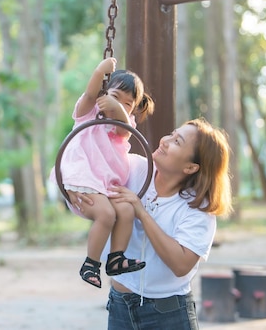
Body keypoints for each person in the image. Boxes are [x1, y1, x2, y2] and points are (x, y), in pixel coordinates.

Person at [68, 117, 233, 329]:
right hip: (119, 306)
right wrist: (74, 186)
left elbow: (181, 265)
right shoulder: (132, 168)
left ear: (191, 167)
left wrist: (141, 212)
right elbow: (90, 167)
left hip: (168, 315)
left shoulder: (198, 207)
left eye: (177, 142)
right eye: (172, 134)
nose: (165, 140)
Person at [54, 57, 154, 289]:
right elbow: (90, 95)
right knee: (107, 215)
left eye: (128, 104)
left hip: (107, 186)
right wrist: (100, 71)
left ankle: (116, 259)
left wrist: (118, 108)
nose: (120, 105)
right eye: (115, 96)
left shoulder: (124, 125)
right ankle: (91, 263)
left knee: (126, 209)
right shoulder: (89, 112)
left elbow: (123, 127)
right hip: (83, 180)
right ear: (104, 93)